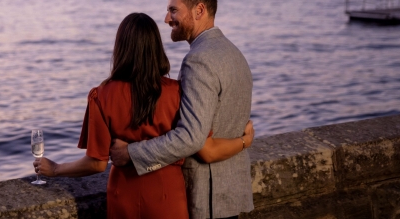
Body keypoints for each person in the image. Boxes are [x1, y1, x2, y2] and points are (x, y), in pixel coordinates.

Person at [34, 12, 254, 219]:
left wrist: (55, 169)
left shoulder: (101, 96)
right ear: (156, 47)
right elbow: (202, 145)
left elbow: (96, 164)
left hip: (123, 195)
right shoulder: (177, 92)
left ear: (120, 47)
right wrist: (243, 140)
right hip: (168, 196)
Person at [110, 0, 254, 219]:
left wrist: (131, 153)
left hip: (206, 200)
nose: (167, 19)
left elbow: (191, 138)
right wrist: (243, 142)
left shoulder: (198, 60)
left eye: (173, 10)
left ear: (199, 11)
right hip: (230, 194)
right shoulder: (234, 54)